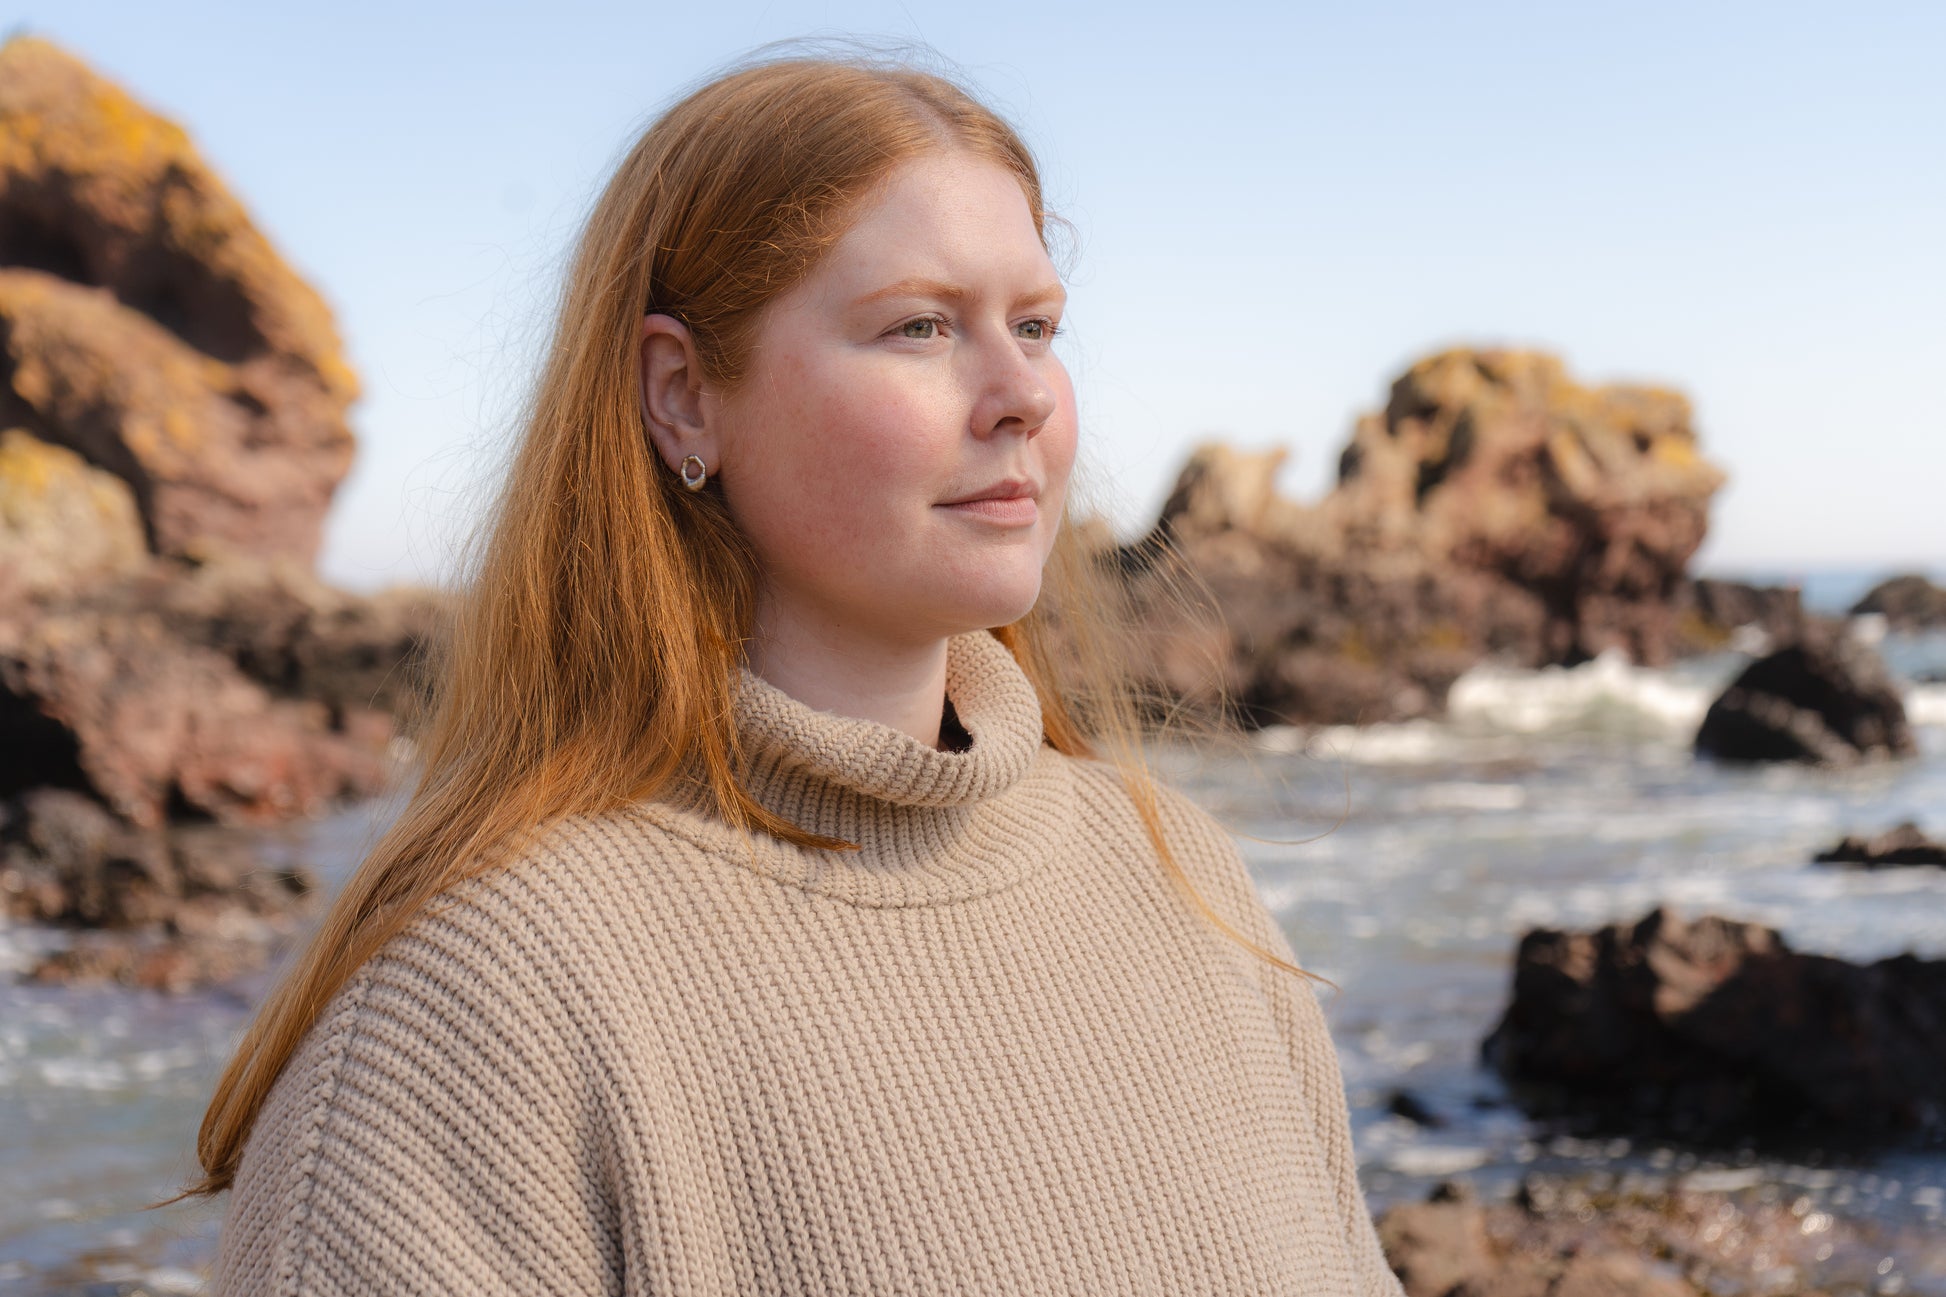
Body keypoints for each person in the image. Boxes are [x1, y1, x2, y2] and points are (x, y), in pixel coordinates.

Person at [189, 49, 1405, 1296]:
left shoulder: (1177, 871)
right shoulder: (482, 1008)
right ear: (682, 399)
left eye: (1034, 326)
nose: (1020, 395)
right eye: (920, 327)